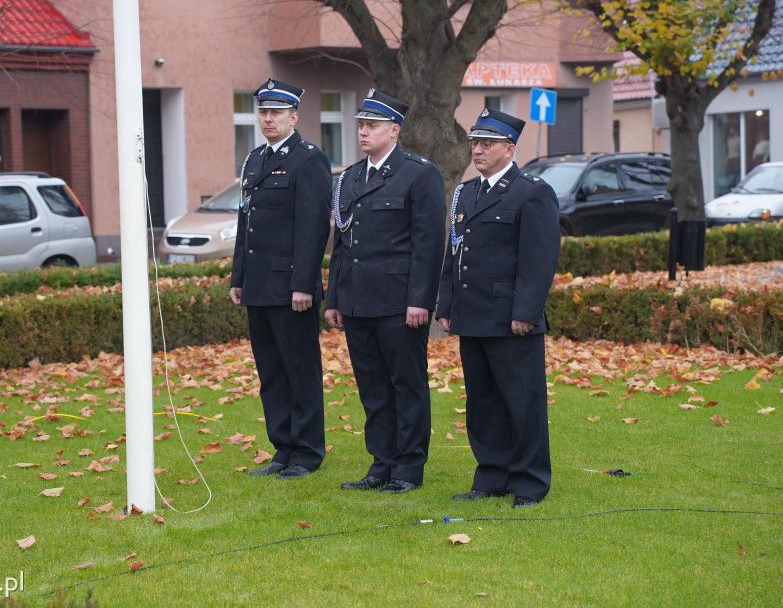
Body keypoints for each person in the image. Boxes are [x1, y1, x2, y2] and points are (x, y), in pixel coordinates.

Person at [435, 107, 560, 508]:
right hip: (472, 315)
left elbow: (539, 260)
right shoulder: (467, 192)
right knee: (482, 402)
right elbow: (455, 254)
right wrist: (446, 303)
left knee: (522, 404)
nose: (478, 149)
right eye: (475, 142)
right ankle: (491, 475)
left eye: (487, 143)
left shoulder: (531, 191)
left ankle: (528, 482)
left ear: (510, 148)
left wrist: (526, 311)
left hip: (510, 318)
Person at [325, 88, 446, 494]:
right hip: (358, 301)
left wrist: (420, 301)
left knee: (405, 385)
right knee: (373, 388)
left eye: (371, 126)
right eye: (360, 125)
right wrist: (334, 299)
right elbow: (342, 244)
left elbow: (428, 245)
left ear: (393, 130)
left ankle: (409, 467)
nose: (363, 132)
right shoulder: (351, 178)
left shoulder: (419, 173)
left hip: (398, 302)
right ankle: (381, 462)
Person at [229, 78, 333, 480]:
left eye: (276, 113)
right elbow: (246, 224)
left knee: (299, 369)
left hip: (292, 289)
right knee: (270, 371)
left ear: (294, 116)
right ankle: (283, 448)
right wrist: (238, 276)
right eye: (263, 112)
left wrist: (304, 284)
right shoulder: (254, 160)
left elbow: (313, 228)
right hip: (259, 285)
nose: (267, 119)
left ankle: (307, 452)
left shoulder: (309, 160)